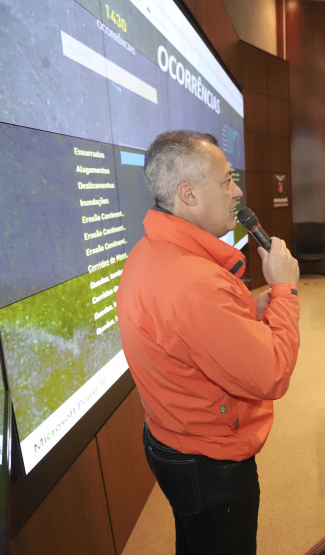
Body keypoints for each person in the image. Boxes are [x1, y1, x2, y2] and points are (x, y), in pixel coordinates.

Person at [117, 131, 301, 554]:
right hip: (209, 462)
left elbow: (189, 336)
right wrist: (285, 291)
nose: (237, 191)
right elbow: (272, 374)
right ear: (189, 195)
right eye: (226, 181)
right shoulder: (195, 285)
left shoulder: (150, 252)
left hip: (170, 437)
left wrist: (247, 312)